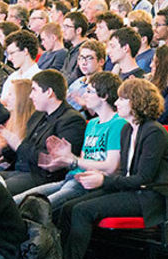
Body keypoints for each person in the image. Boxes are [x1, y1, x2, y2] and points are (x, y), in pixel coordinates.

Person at [51, 79, 168, 259]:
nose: (117, 102)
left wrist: (103, 180)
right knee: (69, 207)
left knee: (83, 211)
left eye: (122, 98)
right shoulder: (128, 130)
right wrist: (100, 178)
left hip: (149, 196)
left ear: (137, 102)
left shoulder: (154, 133)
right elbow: (126, 175)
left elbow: (143, 178)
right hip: (131, 189)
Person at [18, 71, 124, 213]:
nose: (84, 95)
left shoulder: (118, 123)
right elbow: (83, 160)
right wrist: (64, 159)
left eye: (89, 91)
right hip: (73, 178)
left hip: (90, 184)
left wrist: (72, 160)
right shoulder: (92, 123)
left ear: (104, 96)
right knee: (17, 202)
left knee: (34, 209)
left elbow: (111, 167)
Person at [0, 70, 87, 195]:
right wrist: (3, 148)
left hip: (41, 177)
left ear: (49, 92)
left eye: (34, 90)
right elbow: (23, 150)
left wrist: (17, 143)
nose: (30, 96)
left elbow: (50, 161)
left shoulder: (71, 120)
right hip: (19, 171)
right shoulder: (38, 114)